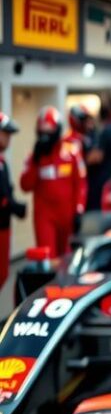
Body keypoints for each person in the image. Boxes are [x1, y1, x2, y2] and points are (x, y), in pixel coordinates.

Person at [20, 107, 86, 257]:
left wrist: (79, 210)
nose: (45, 137)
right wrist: (36, 162)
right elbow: (25, 185)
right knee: (48, 259)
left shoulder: (72, 152)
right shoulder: (34, 157)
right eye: (42, 133)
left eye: (48, 133)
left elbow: (81, 183)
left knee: (68, 259)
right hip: (45, 218)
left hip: (68, 217)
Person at [0, 113, 26, 288]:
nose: (9, 138)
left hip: (4, 226)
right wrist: (13, 205)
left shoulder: (3, 162)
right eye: (5, 133)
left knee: (2, 274)